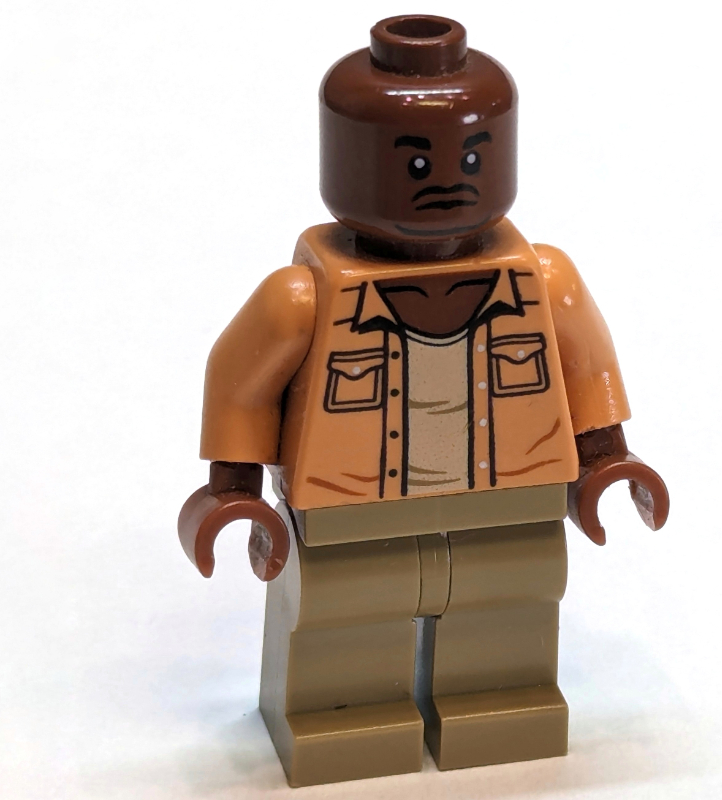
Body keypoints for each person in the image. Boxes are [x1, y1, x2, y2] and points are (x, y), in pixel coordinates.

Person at [178, 15, 669, 787]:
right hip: (351, 508)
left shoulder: (544, 281)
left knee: (512, 592)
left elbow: (586, 369)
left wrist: (606, 456)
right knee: (344, 609)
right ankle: (339, 716)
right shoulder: (303, 299)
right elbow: (239, 381)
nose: (448, 180)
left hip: (511, 497)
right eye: (415, 163)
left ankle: (501, 701)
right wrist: (231, 488)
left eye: (471, 158)